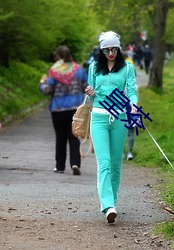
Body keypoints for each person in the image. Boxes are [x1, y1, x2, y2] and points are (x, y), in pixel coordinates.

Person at [85, 31, 138, 223]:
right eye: (106, 50)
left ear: (119, 48)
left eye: (114, 49)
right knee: (104, 163)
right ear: (101, 50)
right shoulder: (93, 68)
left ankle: (112, 201)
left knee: (116, 163)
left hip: (120, 119)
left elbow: (131, 91)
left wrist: (133, 105)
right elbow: (91, 97)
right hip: (98, 118)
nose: (110, 53)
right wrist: (90, 92)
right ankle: (107, 205)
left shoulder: (127, 68)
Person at [39, 45, 88, 175]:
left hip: (58, 109)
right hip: (75, 109)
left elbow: (47, 90)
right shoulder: (79, 70)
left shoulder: (54, 71)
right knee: (74, 137)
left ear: (58, 57)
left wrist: (42, 83)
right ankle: (75, 163)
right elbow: (86, 87)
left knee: (60, 138)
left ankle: (60, 166)